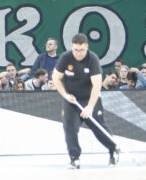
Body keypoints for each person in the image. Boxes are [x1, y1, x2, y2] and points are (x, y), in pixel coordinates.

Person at [51, 33, 119, 168]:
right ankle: (74, 158)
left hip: (90, 98)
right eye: (76, 50)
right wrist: (65, 95)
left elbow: (97, 84)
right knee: (69, 127)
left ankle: (113, 149)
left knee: (98, 127)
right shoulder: (66, 58)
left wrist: (90, 107)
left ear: (86, 47)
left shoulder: (92, 59)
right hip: (71, 99)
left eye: (82, 50)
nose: (79, 53)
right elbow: (56, 78)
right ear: (72, 47)